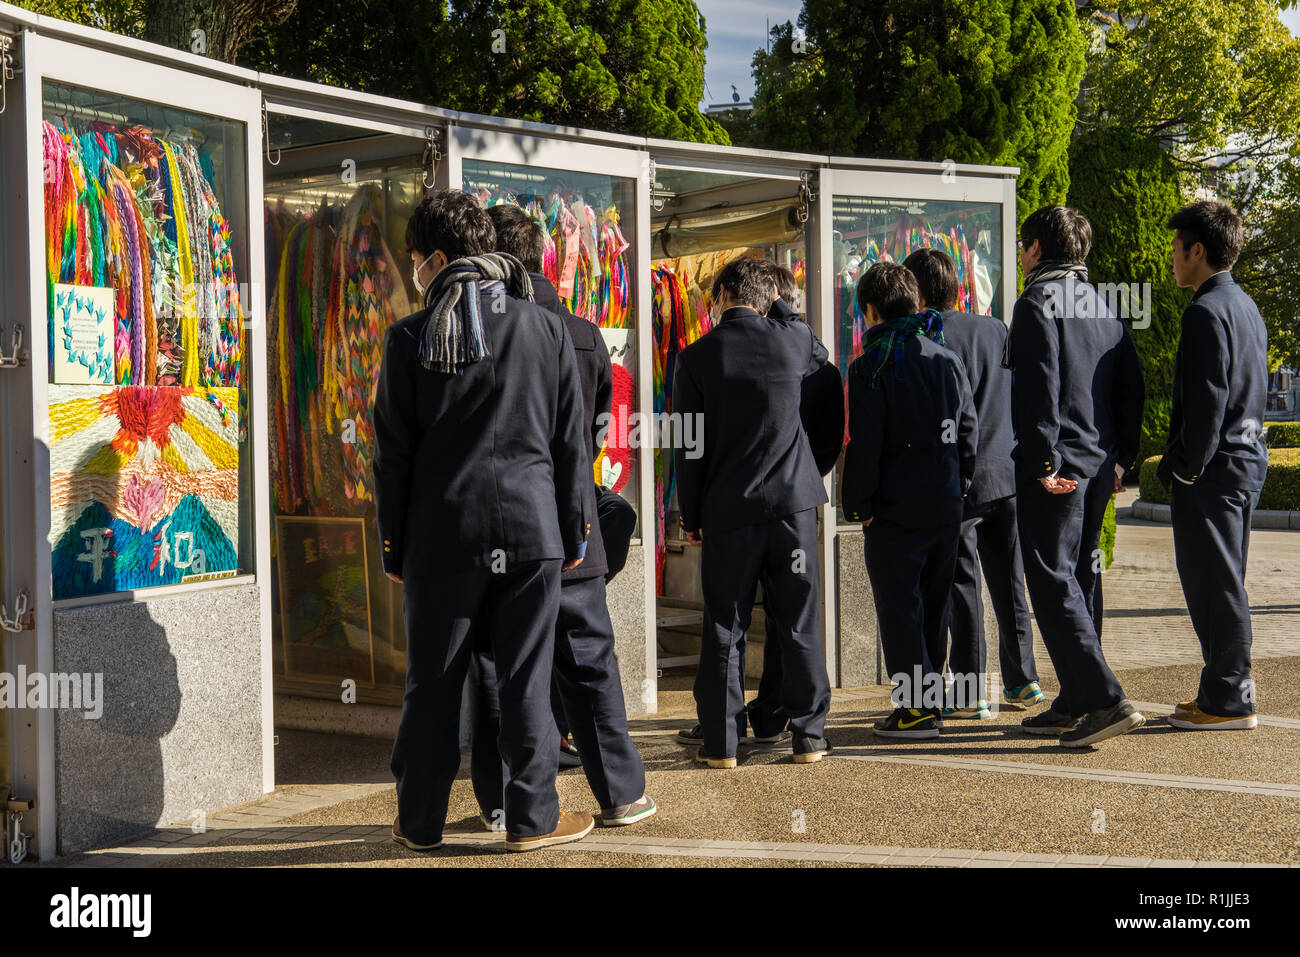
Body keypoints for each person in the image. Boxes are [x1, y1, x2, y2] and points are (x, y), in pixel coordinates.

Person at [374, 189, 594, 852]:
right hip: (532, 535)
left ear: (436, 258)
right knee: (527, 678)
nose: (413, 272)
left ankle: (419, 822)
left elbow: (393, 457)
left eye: (415, 260)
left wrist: (393, 547)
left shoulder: (410, 337)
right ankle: (532, 820)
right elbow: (570, 443)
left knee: (432, 685)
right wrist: (575, 528)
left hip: (442, 541)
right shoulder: (542, 324)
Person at [466, 203, 656, 828]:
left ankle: (504, 805)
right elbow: (598, 426)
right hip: (571, 526)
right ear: (543, 256)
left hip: (501, 529)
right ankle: (622, 794)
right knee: (589, 662)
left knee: (500, 667)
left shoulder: (473, 327)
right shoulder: (581, 332)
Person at [672, 255, 834, 767]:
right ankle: (808, 736)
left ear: (719, 298)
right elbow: (819, 346)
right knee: (799, 620)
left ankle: (722, 745)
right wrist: (776, 302)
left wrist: (691, 516)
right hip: (793, 507)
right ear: (769, 300)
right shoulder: (793, 342)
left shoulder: (695, 358)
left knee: (725, 623)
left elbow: (689, 448)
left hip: (729, 510)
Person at [1005, 205, 1146, 747]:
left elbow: (1038, 387)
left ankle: (1105, 698)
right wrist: (1119, 460)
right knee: (1082, 576)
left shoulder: (1036, 301)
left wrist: (1042, 460)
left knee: (1049, 576)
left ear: (1038, 247)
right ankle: (1074, 698)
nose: (1020, 255)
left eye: (1023, 245)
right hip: (1095, 462)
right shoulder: (1103, 304)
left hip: (1058, 464)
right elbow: (1130, 386)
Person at [902, 248, 1042, 719]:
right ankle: (1023, 681)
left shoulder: (927, 338)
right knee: (1009, 582)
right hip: (1005, 474)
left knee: (963, 585)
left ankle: (969, 691)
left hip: (958, 480)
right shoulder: (995, 328)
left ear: (916, 291)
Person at [842, 262, 977, 740]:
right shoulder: (946, 356)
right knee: (934, 607)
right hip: (944, 504)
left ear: (871, 311)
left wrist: (858, 506)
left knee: (900, 608)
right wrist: (960, 487)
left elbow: (864, 444)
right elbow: (967, 432)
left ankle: (916, 711)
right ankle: (929, 702)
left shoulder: (870, 365)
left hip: (895, 507)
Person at [1159, 200, 1268, 731]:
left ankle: (1229, 697)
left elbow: (1207, 403)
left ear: (1197, 250)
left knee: (1215, 584)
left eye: (1176, 248)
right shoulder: (1245, 306)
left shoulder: (1205, 311)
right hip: (1246, 463)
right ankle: (1220, 687)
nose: (1171, 259)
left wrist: (1182, 468)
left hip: (1214, 471)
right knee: (1227, 581)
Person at [730, 260, 844, 746]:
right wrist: (804, 476)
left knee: (752, 619)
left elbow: (827, 432)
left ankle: (750, 718)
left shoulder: (798, 353)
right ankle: (785, 717)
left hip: (751, 502)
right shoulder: (808, 356)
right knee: (789, 616)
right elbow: (828, 437)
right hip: (793, 501)